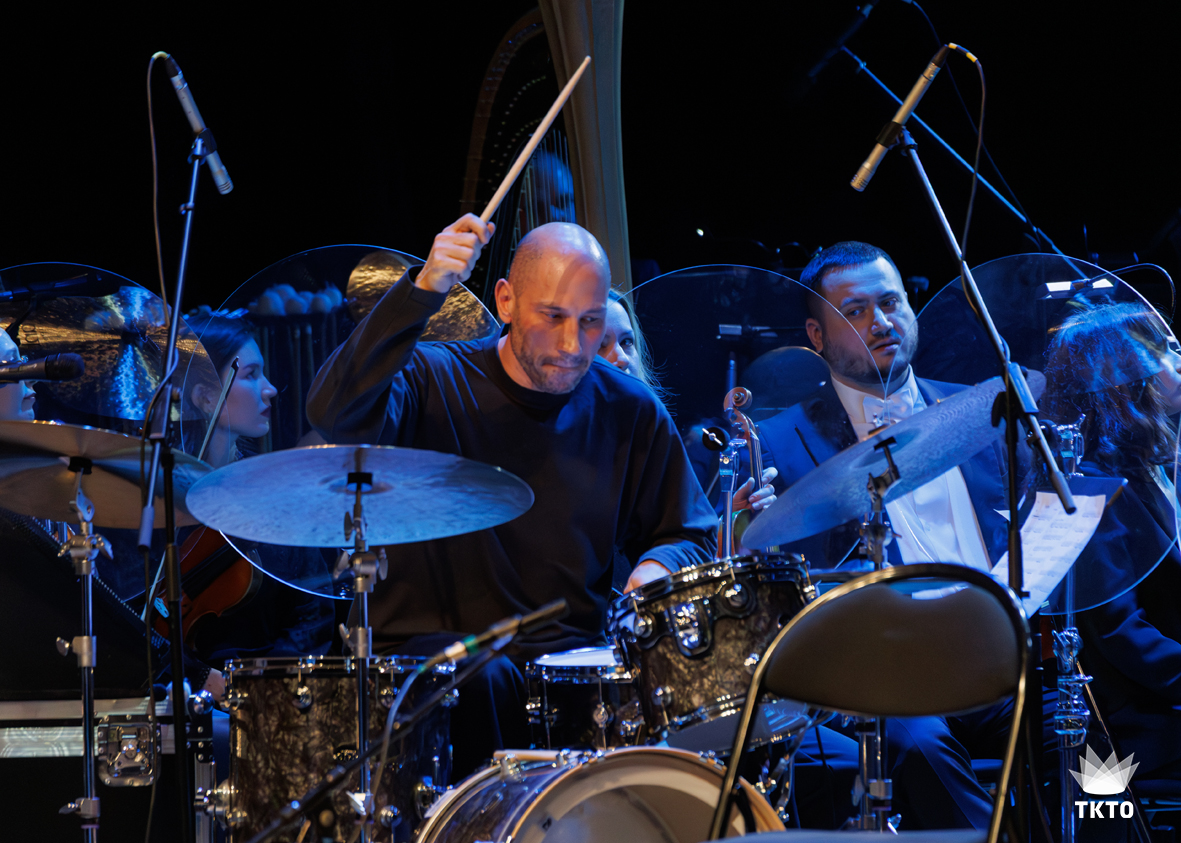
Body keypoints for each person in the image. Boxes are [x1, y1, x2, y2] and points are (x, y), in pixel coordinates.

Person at [306, 214, 717, 775]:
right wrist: (421, 290)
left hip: (569, 679)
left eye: (590, 322)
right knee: (486, 676)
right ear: (505, 301)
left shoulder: (629, 408)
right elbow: (332, 412)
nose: (572, 345)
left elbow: (688, 532)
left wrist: (654, 568)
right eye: (553, 317)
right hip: (430, 677)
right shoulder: (429, 379)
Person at [748, 241, 1017, 830]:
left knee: (1086, 734)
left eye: (891, 303)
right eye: (856, 311)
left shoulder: (985, 409)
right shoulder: (775, 444)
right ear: (817, 337)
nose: (880, 322)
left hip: (999, 650)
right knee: (917, 748)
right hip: (892, 671)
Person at [1042, 301, 1181, 787]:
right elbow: (1121, 632)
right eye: (1164, 351)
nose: (1178, 359)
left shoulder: (1153, 463)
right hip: (1133, 720)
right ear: (1123, 377)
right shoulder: (1087, 487)